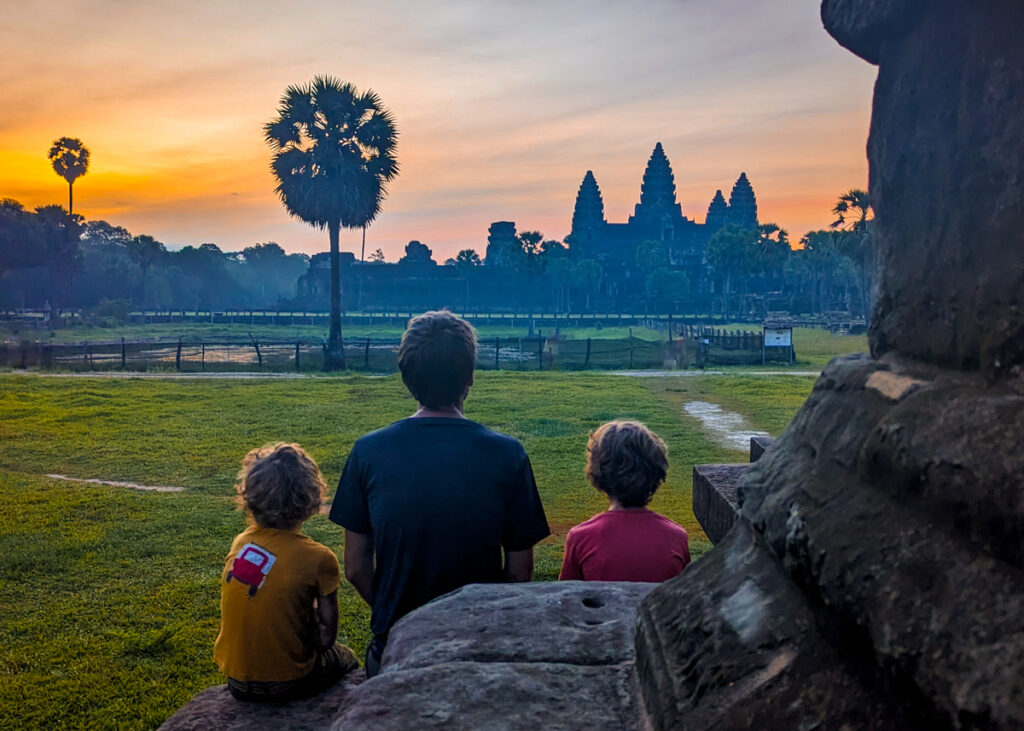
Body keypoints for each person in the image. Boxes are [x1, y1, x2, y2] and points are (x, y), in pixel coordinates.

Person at [330, 310, 550, 677]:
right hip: (476, 648)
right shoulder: (507, 454)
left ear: (406, 378)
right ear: (470, 377)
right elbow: (519, 570)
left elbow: (355, 568)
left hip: (395, 650)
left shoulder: (368, 452)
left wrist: (401, 617)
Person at [214, 443, 358, 702]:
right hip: (290, 681)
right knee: (345, 657)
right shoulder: (319, 558)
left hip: (236, 681)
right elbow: (326, 638)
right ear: (311, 496)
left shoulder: (241, 543)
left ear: (250, 495)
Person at [558, 420, 690, 582]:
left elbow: (567, 598)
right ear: (657, 472)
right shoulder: (676, 537)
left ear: (598, 473)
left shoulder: (581, 538)